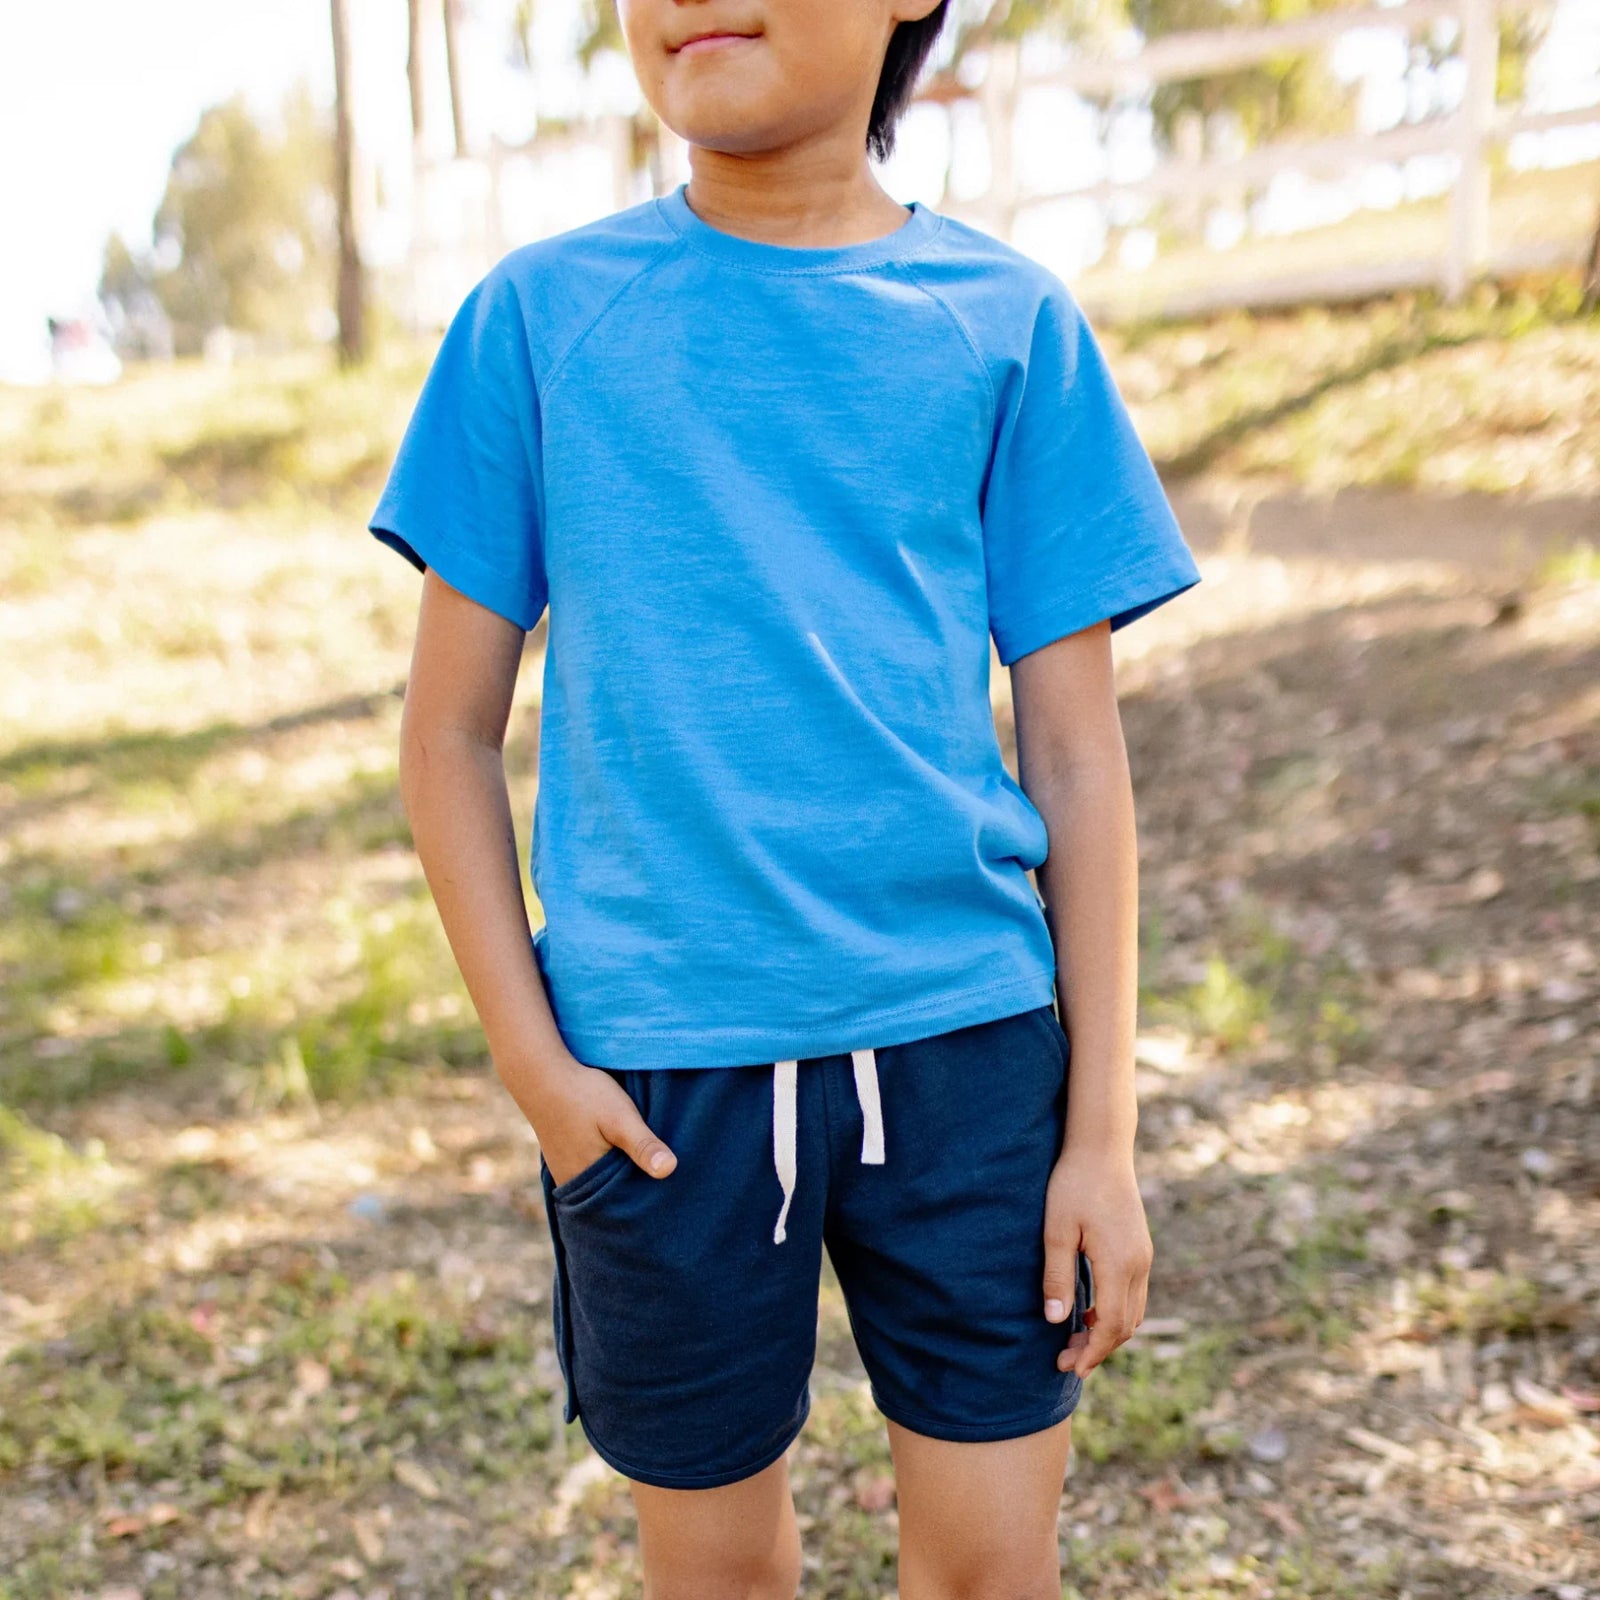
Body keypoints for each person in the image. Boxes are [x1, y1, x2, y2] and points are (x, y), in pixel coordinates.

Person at [366, 0, 1203, 1588]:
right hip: (657, 1087)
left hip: (970, 1060)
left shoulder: (1007, 323)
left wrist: (1100, 1136)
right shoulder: (538, 322)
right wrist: (542, 1074)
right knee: (719, 1578)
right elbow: (446, 737)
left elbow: (1079, 759)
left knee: (984, 1573)